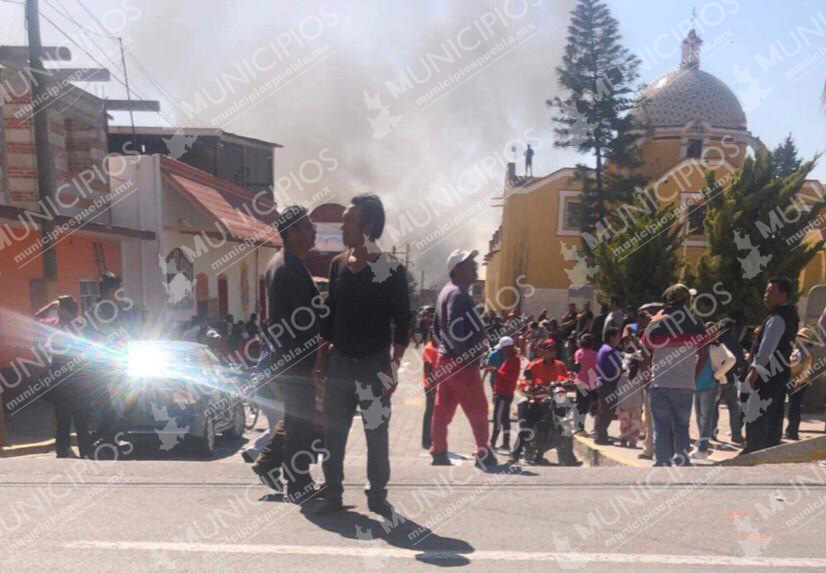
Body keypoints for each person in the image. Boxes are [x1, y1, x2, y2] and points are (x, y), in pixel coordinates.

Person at [315, 194, 411, 516]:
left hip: (374, 365)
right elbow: (329, 316)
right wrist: (320, 361)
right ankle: (332, 493)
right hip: (339, 362)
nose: (342, 227)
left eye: (348, 221)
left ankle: (377, 493)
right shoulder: (337, 265)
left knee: (376, 435)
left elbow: (403, 321)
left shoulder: (390, 270)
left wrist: (393, 368)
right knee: (334, 433)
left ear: (368, 226)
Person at [250, 206, 321, 500]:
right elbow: (305, 319)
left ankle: (268, 463)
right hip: (295, 358)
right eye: (308, 226)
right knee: (302, 423)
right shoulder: (288, 267)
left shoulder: (286, 263)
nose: (314, 230)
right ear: (293, 232)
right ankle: (298, 483)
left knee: (299, 418)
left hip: (289, 357)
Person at [430, 249, 497, 470]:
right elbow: (452, 327)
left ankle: (438, 451)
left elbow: (437, 329)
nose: (476, 267)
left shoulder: (446, 292)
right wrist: (467, 356)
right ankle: (483, 451)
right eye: (470, 264)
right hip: (461, 364)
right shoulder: (459, 294)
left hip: (445, 361)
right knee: (478, 407)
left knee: (443, 409)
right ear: (457, 270)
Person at [642, 284, 708, 466]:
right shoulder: (696, 324)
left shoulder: (655, 323)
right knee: (682, 427)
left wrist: (646, 379)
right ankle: (683, 462)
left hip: (660, 384)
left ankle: (662, 462)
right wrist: (693, 376)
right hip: (684, 386)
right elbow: (703, 355)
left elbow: (644, 354)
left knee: (661, 428)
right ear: (687, 301)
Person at [741, 278, 799, 455]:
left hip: (767, 373)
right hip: (779, 372)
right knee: (774, 412)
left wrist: (754, 371)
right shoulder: (789, 316)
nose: (766, 296)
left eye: (771, 292)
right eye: (766, 292)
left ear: (783, 295)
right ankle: (769, 447)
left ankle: (754, 448)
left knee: (757, 411)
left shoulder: (777, 318)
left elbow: (767, 347)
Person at [510, 338, 568, 464]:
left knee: (568, 423)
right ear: (541, 351)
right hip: (537, 401)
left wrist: (568, 382)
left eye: (553, 349)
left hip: (555, 401)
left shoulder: (560, 365)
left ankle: (568, 455)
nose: (551, 352)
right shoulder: (533, 366)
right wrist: (528, 387)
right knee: (527, 427)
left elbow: (566, 378)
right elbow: (524, 381)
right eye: (548, 349)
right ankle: (515, 453)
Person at [786, 327, 816, 440]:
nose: (799, 338)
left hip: (800, 383)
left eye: (802, 337)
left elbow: (806, 369)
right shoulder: (796, 350)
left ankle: (792, 432)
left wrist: (798, 382)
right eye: (799, 336)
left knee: (794, 407)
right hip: (790, 381)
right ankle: (790, 430)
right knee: (791, 407)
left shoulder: (808, 352)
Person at [594, 327, 623, 445]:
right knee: (607, 411)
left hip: (602, 382)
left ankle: (601, 435)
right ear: (611, 337)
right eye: (617, 336)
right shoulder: (610, 351)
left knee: (603, 410)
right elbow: (616, 369)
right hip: (608, 384)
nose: (619, 339)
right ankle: (600, 436)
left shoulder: (603, 349)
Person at [490, 336, 519, 451]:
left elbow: (509, 377)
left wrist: (496, 371)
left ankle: (492, 442)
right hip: (503, 392)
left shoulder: (513, 360)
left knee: (498, 418)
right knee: (505, 418)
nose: (502, 352)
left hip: (504, 394)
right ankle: (505, 443)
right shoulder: (509, 359)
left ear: (508, 348)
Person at [573, 333, 598, 434]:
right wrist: (595, 386)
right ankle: (593, 428)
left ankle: (578, 427)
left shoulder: (578, 352)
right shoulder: (593, 354)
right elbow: (594, 370)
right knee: (589, 405)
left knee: (580, 405)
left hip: (579, 382)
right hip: (589, 383)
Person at [421, 332, 439, 450]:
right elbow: (427, 369)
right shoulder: (429, 349)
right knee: (429, 411)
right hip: (430, 385)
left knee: (434, 412)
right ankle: (426, 440)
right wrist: (432, 386)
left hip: (436, 384)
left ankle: (432, 438)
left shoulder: (436, 347)